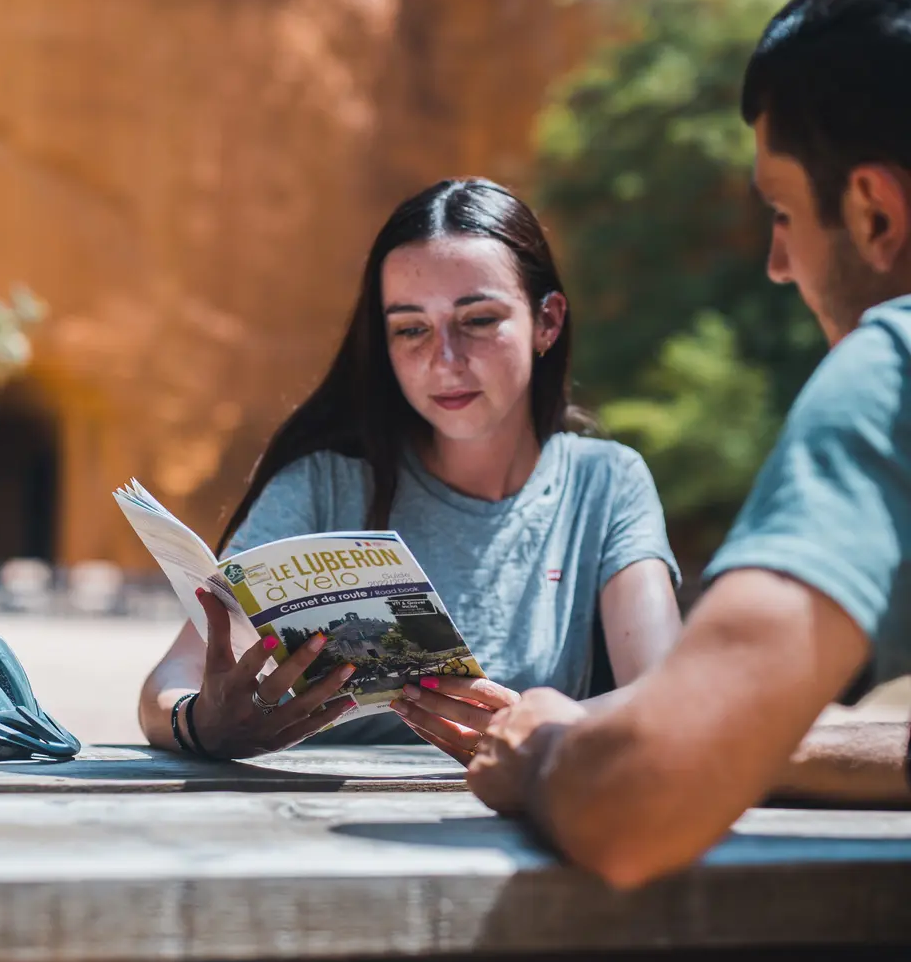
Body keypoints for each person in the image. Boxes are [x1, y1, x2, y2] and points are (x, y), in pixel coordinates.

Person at [435, 0, 911, 886]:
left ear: (875, 213)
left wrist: (546, 750)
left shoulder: (891, 369)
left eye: (782, 211)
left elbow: (637, 805)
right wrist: (740, 739)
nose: (776, 263)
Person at [138, 178, 684, 759]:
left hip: (515, 812)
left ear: (547, 322)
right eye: (411, 329)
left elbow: (669, 695)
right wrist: (201, 722)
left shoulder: (607, 483)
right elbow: (166, 686)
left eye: (478, 320)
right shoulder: (322, 485)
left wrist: (540, 727)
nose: (444, 362)